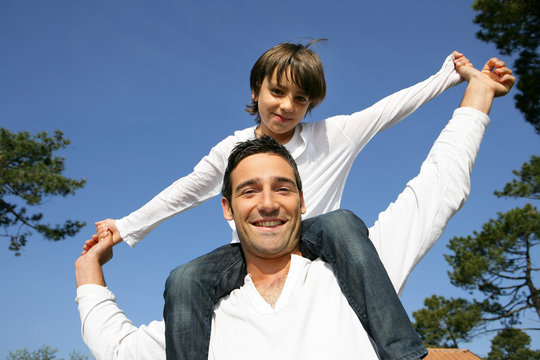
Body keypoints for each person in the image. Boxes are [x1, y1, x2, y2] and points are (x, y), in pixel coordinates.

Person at [76, 57, 515, 359]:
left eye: (300, 99)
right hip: (236, 264)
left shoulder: (359, 272)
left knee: (342, 223)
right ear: (227, 207)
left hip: (324, 245)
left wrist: (455, 80)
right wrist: (124, 231)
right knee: (184, 277)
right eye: (249, 191)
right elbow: (186, 191)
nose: (287, 106)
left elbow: (405, 134)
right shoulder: (201, 308)